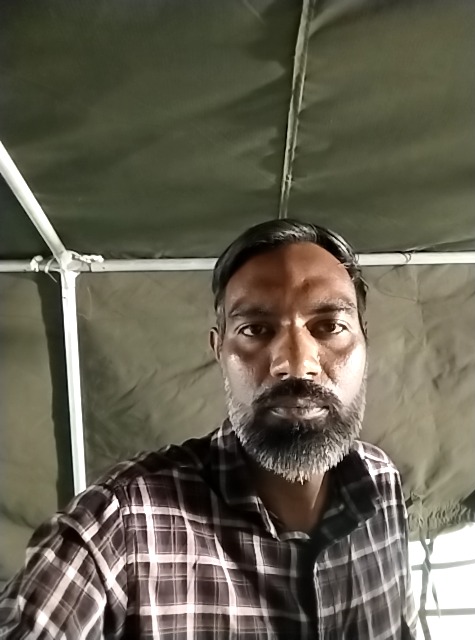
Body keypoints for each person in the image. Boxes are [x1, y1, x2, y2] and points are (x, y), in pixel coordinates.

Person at [0, 219, 417, 639]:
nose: (296, 362)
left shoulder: (382, 485)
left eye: (329, 327)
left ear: (365, 342)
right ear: (219, 350)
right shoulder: (116, 529)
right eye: (255, 330)